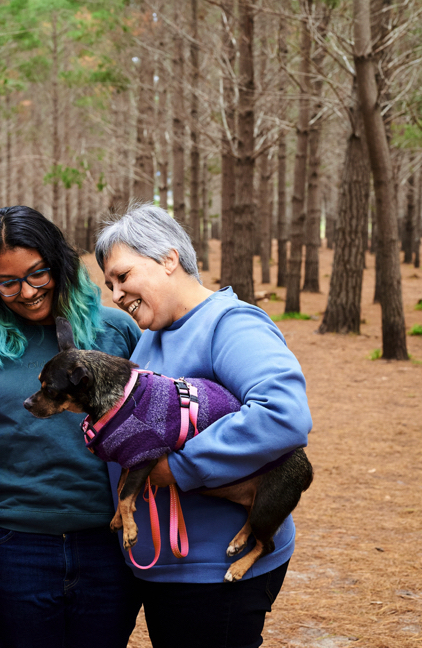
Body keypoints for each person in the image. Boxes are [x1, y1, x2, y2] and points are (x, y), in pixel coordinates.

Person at [94, 204, 312, 648]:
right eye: (110, 284)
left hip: (213, 575)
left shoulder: (229, 324)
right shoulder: (153, 334)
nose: (116, 294)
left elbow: (283, 413)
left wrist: (179, 469)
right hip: (166, 569)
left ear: (169, 259)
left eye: (123, 275)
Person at [0, 205, 141, 648]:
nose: (28, 291)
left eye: (38, 273)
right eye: (8, 282)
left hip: (108, 543)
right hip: (13, 549)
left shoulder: (117, 333)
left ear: (60, 264)